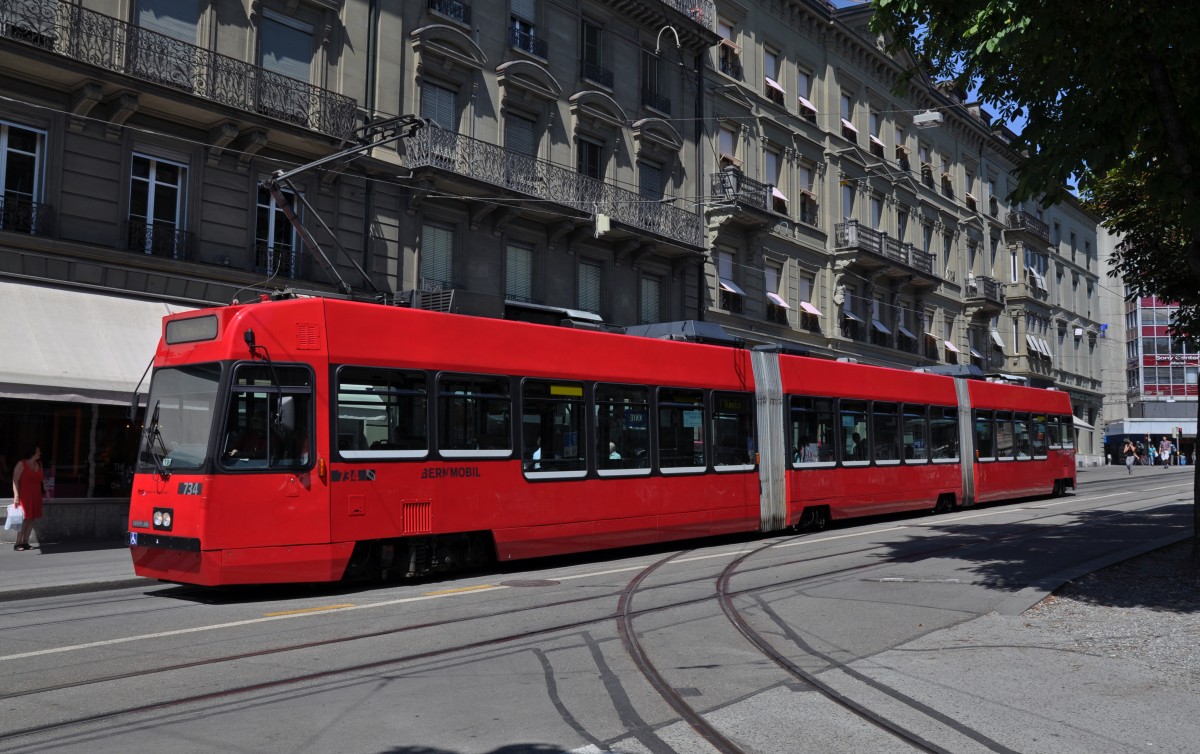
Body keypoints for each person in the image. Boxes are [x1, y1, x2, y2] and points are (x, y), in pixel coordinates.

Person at [11, 445, 44, 551]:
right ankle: (18, 543)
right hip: (25, 496)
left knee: (32, 519)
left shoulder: (39, 464)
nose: (40, 453)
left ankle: (25, 542)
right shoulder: (21, 464)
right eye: (38, 451)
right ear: (32, 452)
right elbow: (15, 480)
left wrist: (46, 491)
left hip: (36, 495)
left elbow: (42, 480)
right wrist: (16, 495)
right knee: (25, 519)